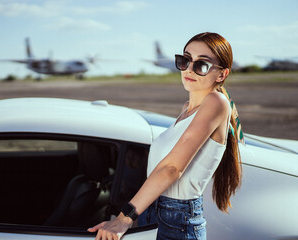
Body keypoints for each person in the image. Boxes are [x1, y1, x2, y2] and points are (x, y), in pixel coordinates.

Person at [88, 32, 244, 240]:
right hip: (156, 212)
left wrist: (124, 217)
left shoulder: (216, 103)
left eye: (201, 65)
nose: (189, 69)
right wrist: (128, 218)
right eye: (185, 60)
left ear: (221, 75)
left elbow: (171, 168)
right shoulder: (187, 109)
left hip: (179, 222)